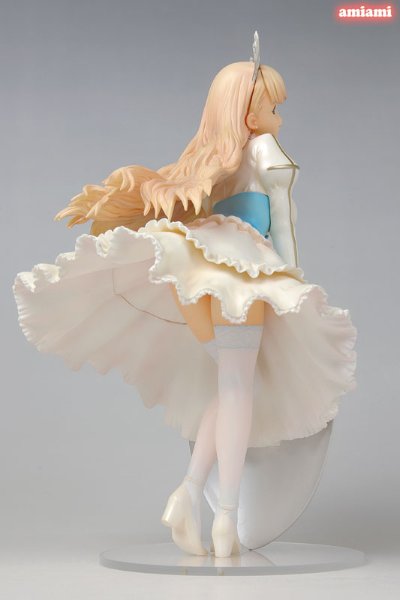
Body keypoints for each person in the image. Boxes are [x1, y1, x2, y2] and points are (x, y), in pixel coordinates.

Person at [13, 34, 357, 559]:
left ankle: (190, 493)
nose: (280, 119)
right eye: (273, 109)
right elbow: (283, 223)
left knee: (231, 386)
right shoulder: (266, 150)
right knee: (237, 388)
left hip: (193, 271)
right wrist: (292, 280)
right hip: (238, 272)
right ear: (249, 116)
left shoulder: (208, 160)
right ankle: (225, 520)